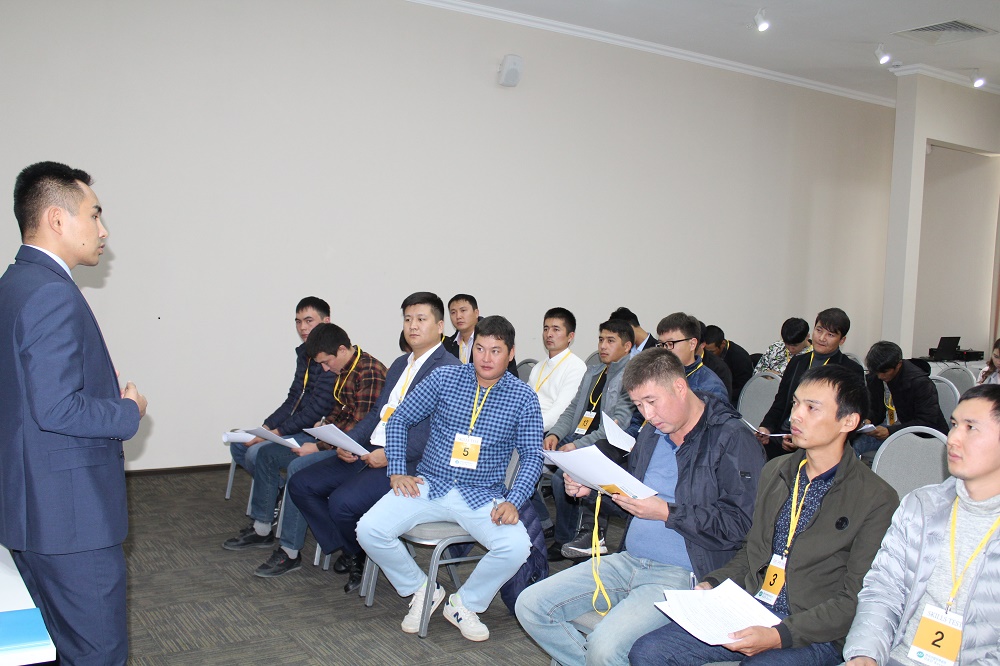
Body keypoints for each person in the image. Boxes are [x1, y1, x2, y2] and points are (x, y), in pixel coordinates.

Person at [629, 365, 899, 666]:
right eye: (795, 403)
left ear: (848, 421)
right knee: (648, 652)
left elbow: (855, 597)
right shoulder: (777, 471)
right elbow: (751, 552)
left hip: (815, 630)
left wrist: (780, 635)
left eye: (812, 408)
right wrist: (713, 584)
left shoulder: (875, 497)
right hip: (755, 606)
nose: (796, 416)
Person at [515, 348, 764, 666]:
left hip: (684, 573)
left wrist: (666, 512)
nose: (647, 414)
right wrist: (591, 490)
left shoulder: (732, 438)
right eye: (639, 405)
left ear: (679, 387)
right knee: (530, 605)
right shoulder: (653, 434)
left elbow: (741, 525)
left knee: (605, 647)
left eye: (652, 401)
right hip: (628, 560)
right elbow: (632, 500)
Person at [0, 162, 148, 664]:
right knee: (96, 653)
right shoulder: (51, 293)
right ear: (57, 219)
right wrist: (126, 410)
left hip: (31, 510)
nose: (103, 230)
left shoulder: (14, 284)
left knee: (56, 647)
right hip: (70, 519)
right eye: (95, 214)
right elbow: (56, 407)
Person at [356, 316, 543, 642]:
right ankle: (422, 589)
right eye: (480, 349)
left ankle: (464, 604)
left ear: (511, 353)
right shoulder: (445, 378)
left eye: (496, 351)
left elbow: (532, 456)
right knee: (369, 529)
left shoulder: (523, 397)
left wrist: (514, 501)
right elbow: (399, 420)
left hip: (481, 494)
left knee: (516, 547)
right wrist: (397, 469)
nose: (486, 358)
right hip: (430, 484)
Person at [288, 292, 459, 593]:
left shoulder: (449, 368)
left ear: (440, 326)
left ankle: (359, 553)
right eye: (408, 319)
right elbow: (378, 413)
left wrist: (390, 455)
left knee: (341, 503)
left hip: (408, 463)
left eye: (421, 319)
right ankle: (355, 549)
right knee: (302, 484)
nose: (413, 326)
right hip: (369, 450)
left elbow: (437, 433)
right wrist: (348, 441)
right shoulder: (400, 364)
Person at [843, 384, 1000, 666]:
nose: (953, 438)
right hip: (893, 657)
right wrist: (865, 653)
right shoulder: (922, 506)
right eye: (954, 425)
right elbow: (883, 589)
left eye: (971, 428)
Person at [222, 323, 386, 578]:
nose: (324, 369)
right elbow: (336, 413)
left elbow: (360, 427)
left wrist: (319, 445)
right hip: (335, 443)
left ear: (342, 350)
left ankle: (290, 551)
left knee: (298, 469)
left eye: (326, 362)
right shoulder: (343, 367)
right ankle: (264, 528)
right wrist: (321, 431)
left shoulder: (370, 372)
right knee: (266, 454)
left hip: (355, 451)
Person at [543, 319, 636, 559]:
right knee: (532, 457)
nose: (603, 346)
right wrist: (555, 433)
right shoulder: (593, 372)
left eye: (610, 341)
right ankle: (551, 528)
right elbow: (572, 410)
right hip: (578, 437)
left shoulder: (631, 377)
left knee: (560, 479)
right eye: (601, 339)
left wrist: (576, 445)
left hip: (605, 445)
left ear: (627, 346)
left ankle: (568, 539)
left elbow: (616, 427)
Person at [230, 296, 336, 475]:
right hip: (294, 426)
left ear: (326, 321)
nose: (302, 327)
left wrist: (276, 432)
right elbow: (294, 398)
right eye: (298, 322)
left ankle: (279, 488)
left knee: (257, 453)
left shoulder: (332, 357)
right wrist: (266, 428)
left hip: (313, 433)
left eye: (308, 321)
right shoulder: (304, 355)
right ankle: (277, 488)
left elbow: (316, 410)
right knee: (239, 444)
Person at [757, 308, 864, 459]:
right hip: (784, 434)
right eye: (819, 330)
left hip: (820, 442)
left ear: (842, 340)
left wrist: (804, 439)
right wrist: (766, 427)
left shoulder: (850, 370)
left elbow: (845, 418)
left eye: (830, 335)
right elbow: (780, 401)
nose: (822, 338)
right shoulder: (797, 362)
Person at [526, 307, 588, 533]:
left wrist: (524, 430)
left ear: (570, 336)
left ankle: (542, 523)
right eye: (546, 328)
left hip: (556, 434)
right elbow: (525, 404)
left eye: (556, 329)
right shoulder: (539, 367)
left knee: (514, 460)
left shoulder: (576, 367)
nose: (549, 334)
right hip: (534, 430)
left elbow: (560, 414)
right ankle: (542, 521)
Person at [854, 340, 948, 457]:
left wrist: (891, 431)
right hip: (888, 428)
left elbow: (926, 421)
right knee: (852, 446)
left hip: (921, 435)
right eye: (876, 372)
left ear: (898, 365)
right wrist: (868, 419)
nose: (880, 376)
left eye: (884, 372)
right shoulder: (875, 377)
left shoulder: (920, 383)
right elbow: (875, 408)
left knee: (896, 455)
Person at [655, 312, 729, 404]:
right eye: (661, 344)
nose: (664, 350)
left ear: (692, 344)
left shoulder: (711, 387)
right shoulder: (656, 376)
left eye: (670, 344)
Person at [444, 293, 517, 374]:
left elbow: (512, 374)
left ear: (476, 313)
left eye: (463, 310)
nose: (458, 316)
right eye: (453, 312)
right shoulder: (448, 345)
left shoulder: (496, 336)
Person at [704, 324, 755, 403]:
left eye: (712, 352)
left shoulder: (740, 357)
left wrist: (719, 394)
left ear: (723, 344)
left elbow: (744, 388)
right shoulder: (705, 354)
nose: (708, 355)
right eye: (705, 350)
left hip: (732, 399)